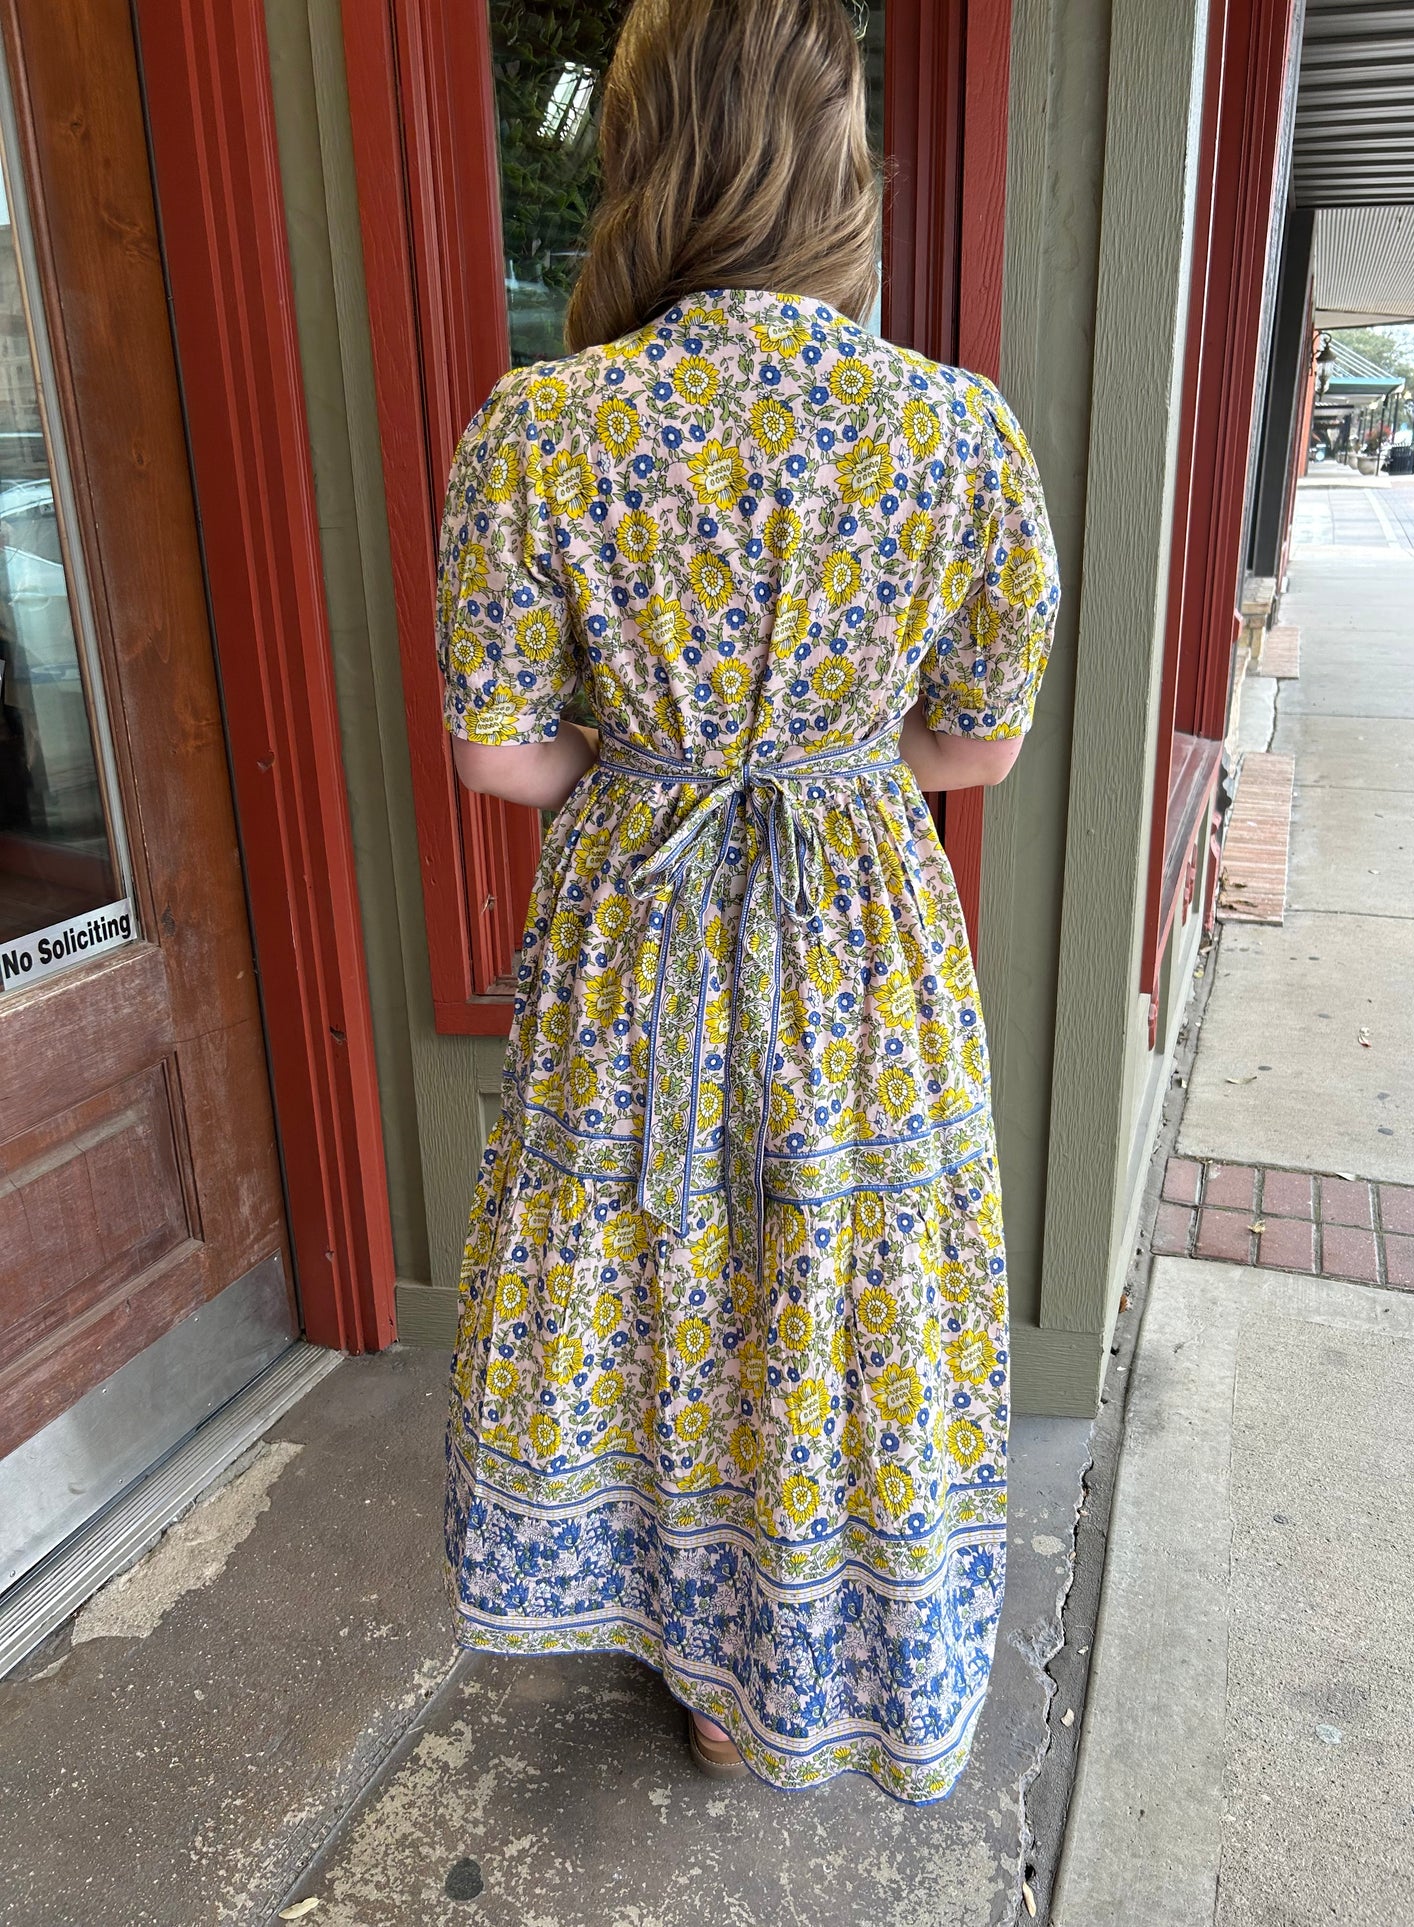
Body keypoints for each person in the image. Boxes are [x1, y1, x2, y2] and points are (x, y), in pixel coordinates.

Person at [437, 0, 1059, 1801]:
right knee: (831, 1282)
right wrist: (830, 773)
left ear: (647, 158)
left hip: (637, 933)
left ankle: (677, 1652)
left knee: (651, 1270)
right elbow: (982, 750)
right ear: (835, 163)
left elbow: (496, 760)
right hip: (860, 943)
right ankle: (792, 1682)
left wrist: (654, 773)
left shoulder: (543, 426)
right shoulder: (955, 435)